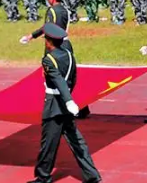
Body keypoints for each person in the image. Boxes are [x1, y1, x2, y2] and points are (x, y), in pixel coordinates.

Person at [29, 23, 101, 183]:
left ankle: (43, 177)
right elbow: (72, 79)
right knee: (77, 142)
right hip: (66, 105)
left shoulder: (49, 60)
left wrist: (68, 101)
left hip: (54, 105)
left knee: (48, 143)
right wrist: (69, 98)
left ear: (48, 42)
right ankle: (92, 175)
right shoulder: (69, 55)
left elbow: (58, 80)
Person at [21, 0, 91, 119]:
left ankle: (67, 109)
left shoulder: (52, 11)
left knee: (58, 79)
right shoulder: (64, 10)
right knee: (68, 78)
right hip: (66, 44)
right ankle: (82, 108)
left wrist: (47, 55)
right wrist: (32, 36)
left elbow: (50, 30)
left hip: (58, 45)